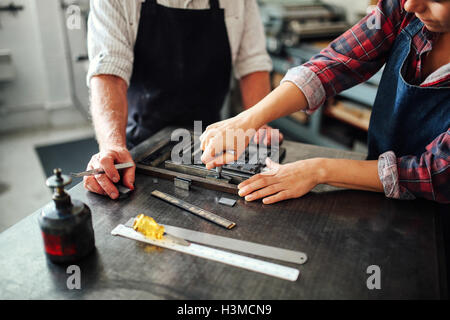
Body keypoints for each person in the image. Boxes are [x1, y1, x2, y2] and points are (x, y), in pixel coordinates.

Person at [200, 0, 450, 204]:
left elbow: (436, 172)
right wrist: (249, 119)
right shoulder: (402, 8)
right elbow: (334, 64)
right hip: (375, 193)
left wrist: (318, 170)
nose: (410, 6)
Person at [83, 0, 283, 199]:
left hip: (212, 140)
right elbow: (109, 73)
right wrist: (113, 145)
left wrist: (256, 122)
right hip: (142, 143)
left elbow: (252, 64)